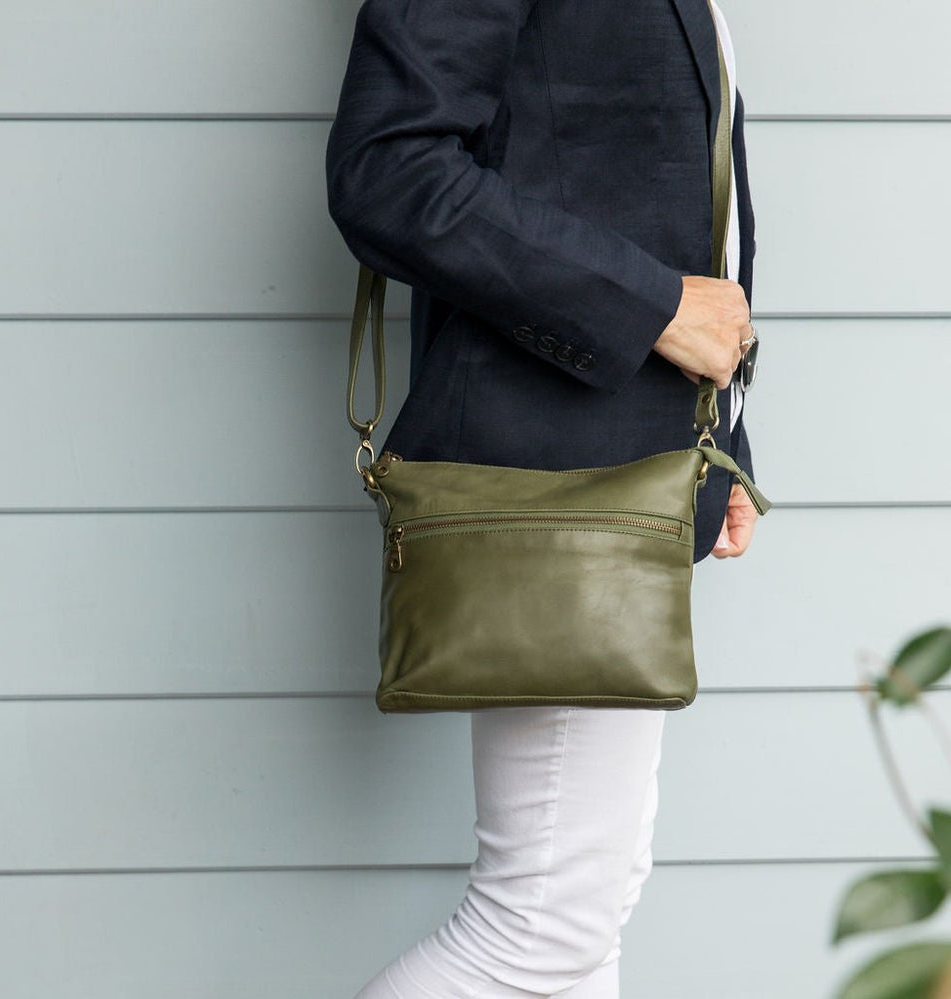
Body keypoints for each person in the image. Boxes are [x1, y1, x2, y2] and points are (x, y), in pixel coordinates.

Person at [325, 1, 761, 995]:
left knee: (583, 923)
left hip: (633, 470)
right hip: (558, 485)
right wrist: (651, 306)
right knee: (540, 929)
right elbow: (388, 170)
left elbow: (666, 193)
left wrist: (722, 444)